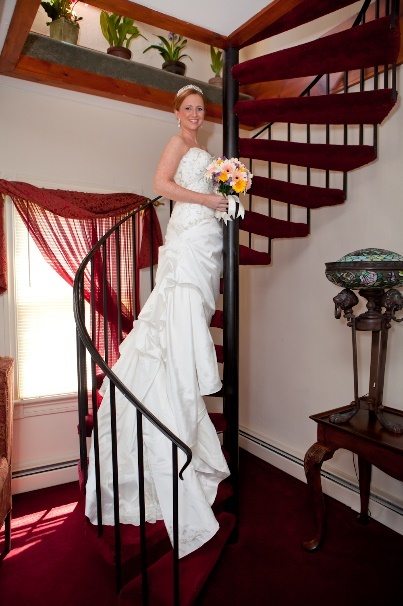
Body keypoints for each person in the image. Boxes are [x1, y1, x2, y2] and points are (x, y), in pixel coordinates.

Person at [85, 84, 230, 559]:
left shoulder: (205, 150)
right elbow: (161, 186)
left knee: (194, 311)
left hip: (206, 240)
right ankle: (176, 403)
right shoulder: (178, 145)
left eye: (200, 109)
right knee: (179, 314)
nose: (194, 114)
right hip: (190, 235)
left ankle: (187, 384)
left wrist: (227, 193)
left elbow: (202, 190)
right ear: (176, 114)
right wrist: (208, 202)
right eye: (187, 108)